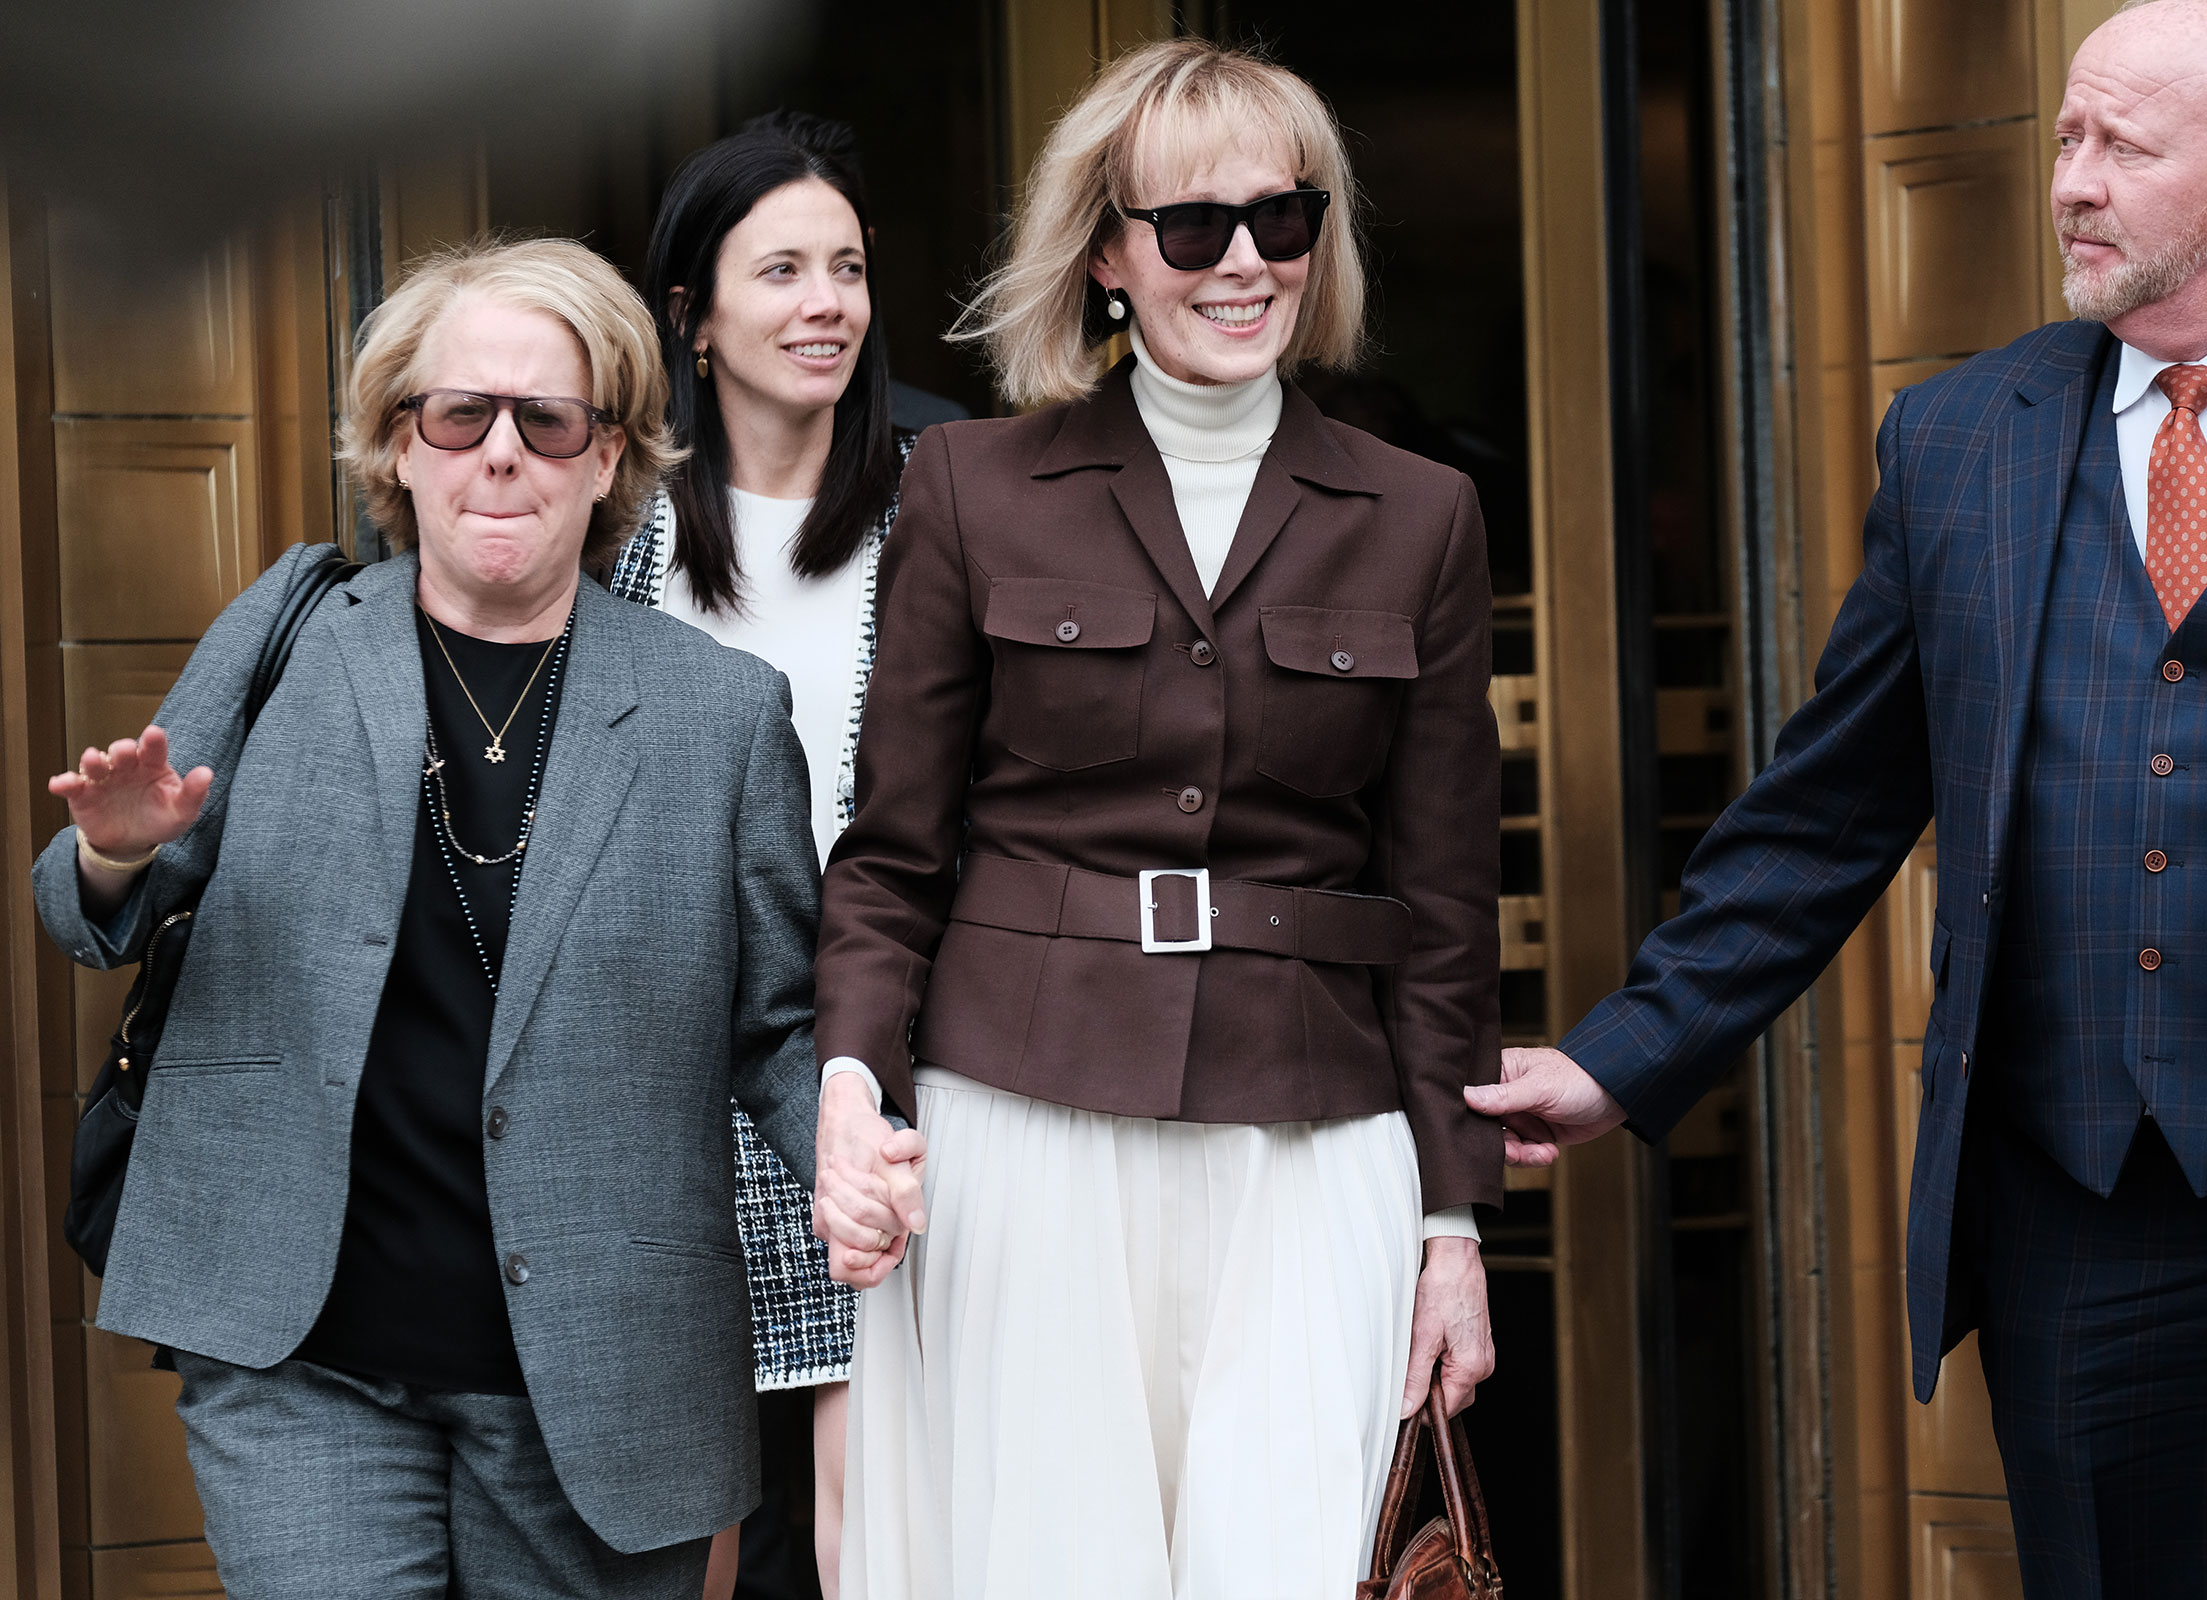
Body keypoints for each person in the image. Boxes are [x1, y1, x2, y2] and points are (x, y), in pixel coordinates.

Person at [1475, 1, 2207, 1592]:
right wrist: (1621, 1061)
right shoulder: (1963, 439)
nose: (2072, 182)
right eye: (2065, 136)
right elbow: (1826, 814)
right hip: (2093, 1211)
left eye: (2125, 145)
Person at [809, 36, 1504, 1599]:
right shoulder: (971, 489)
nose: (1243, 261)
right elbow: (893, 854)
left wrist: (1452, 1220)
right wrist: (853, 1081)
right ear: (1112, 255)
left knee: (1298, 1560)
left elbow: (1449, 899)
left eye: (1284, 217)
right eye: (1193, 227)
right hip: (1022, 1118)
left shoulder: (1422, 516)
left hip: (1314, 1137)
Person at [35, 237, 825, 1599]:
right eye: (459, 414)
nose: (499, 453)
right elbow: (85, 914)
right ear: (399, 446)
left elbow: (783, 1025)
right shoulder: (292, 638)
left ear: (606, 453)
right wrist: (115, 854)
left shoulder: (720, 714)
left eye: (547, 418)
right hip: (306, 1357)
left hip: (598, 1379)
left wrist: (863, 1154)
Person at [612, 110, 917, 1600]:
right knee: (692, 1540)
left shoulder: (945, 511)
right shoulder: (617, 536)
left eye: (848, 268)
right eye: (782, 268)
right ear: (695, 315)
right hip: (658, 1088)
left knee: (884, 1531)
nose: (825, 304)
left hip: (883, 1074)